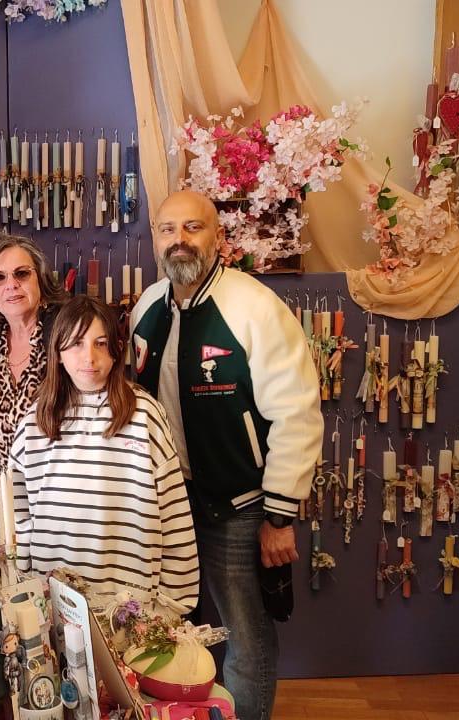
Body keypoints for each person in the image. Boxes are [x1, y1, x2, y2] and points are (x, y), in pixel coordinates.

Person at [130, 190, 322, 720]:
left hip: (239, 505)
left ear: (218, 237)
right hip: (170, 505)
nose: (180, 240)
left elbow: (297, 412)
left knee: (245, 633)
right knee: (170, 632)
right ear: (155, 239)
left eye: (193, 227)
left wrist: (279, 515)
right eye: (168, 229)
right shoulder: (147, 310)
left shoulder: (254, 307)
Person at [8, 296, 199, 606]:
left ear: (115, 351)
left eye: (100, 344)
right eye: (76, 344)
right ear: (58, 352)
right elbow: (20, 520)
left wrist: (173, 604)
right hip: (54, 602)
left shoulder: (144, 416)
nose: (89, 358)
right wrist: (25, 593)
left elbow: (174, 514)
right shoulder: (34, 423)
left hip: (130, 607)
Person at [0, 233, 66, 525]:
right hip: (5, 508)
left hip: (61, 502)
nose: (11, 284)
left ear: (40, 279)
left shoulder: (64, 334)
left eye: (22, 274)